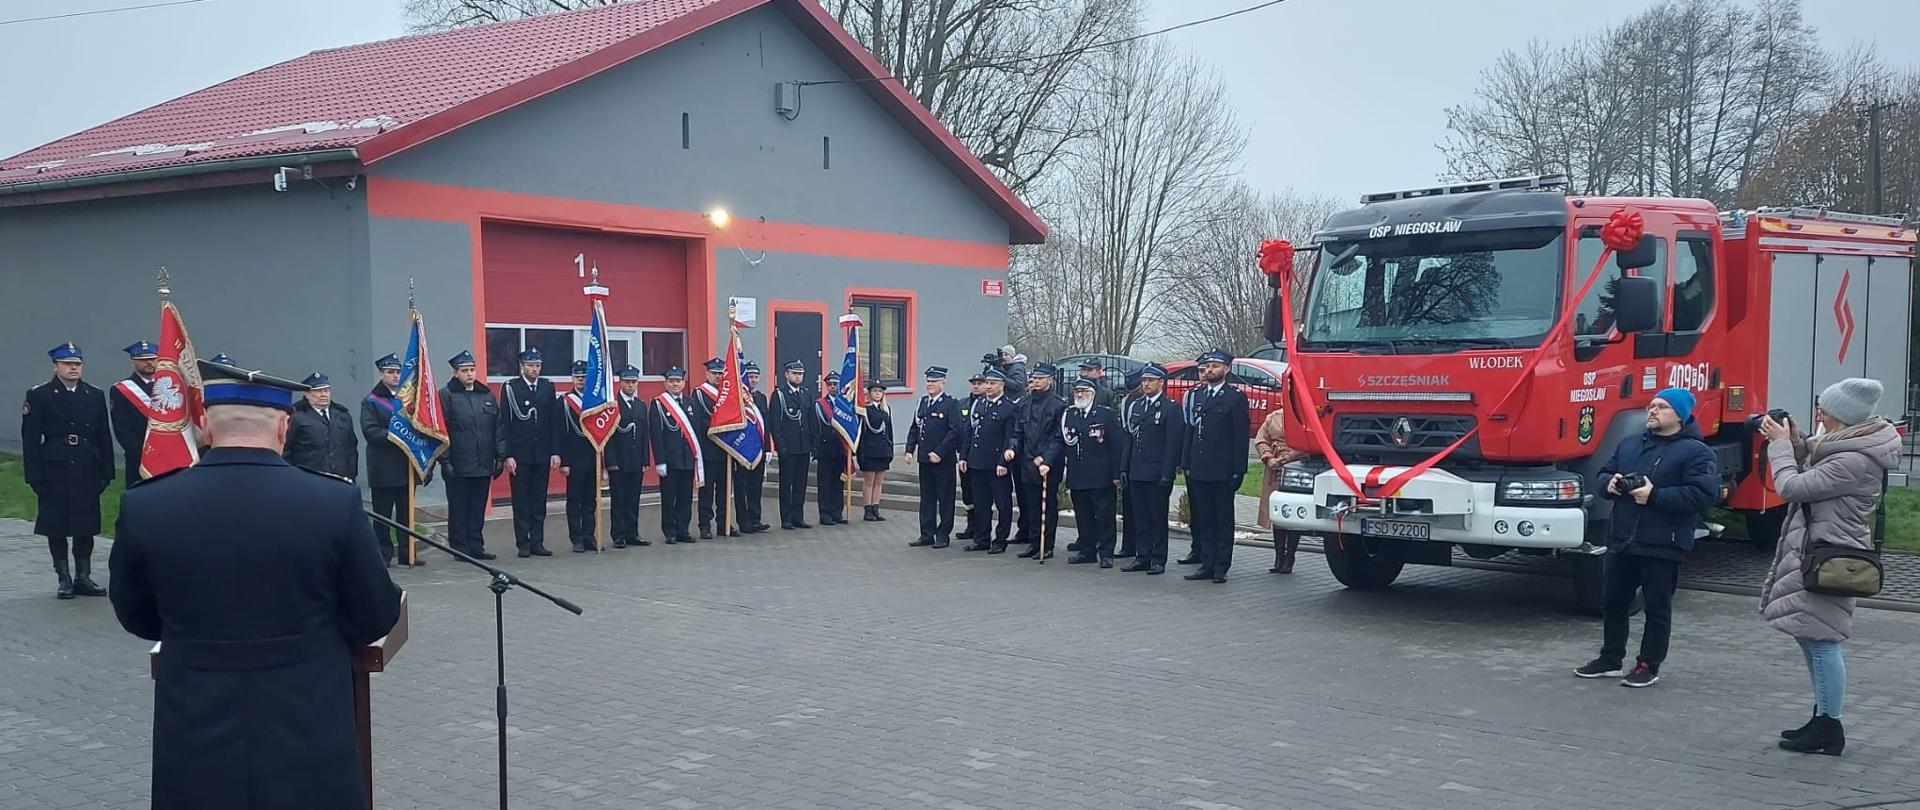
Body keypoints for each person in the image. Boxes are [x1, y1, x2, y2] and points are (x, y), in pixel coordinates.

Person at [109, 358, 401, 810]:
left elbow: (136, 613)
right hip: (308, 711)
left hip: (194, 711)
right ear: (285, 428)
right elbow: (375, 614)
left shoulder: (147, 505)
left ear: (204, 426)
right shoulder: (332, 502)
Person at [1758, 379, 1900, 756]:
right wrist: (1797, 439)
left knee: (1823, 643)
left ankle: (1830, 726)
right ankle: (1821, 717)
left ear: (1838, 415)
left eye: (1823, 408)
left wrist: (1780, 446)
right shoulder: (1848, 445)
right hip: (1820, 551)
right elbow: (1817, 457)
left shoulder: (1854, 459)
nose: (1818, 411)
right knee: (1812, 637)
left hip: (1831, 558)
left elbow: (1792, 486)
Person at [1575, 388, 1719, 687]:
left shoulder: (1697, 452)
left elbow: (1703, 495)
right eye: (1651, 406)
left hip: (1663, 542)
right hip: (1623, 538)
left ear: (1680, 415)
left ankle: (1648, 665)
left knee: (1657, 607)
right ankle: (1610, 658)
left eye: (1662, 407)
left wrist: (1654, 496)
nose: (1652, 411)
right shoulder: (1629, 444)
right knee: (1613, 602)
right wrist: (1610, 485)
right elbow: (1603, 473)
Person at [21, 343, 114, 599]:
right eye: (67, 364)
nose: (73, 368)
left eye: (77, 364)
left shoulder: (93, 394)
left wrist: (107, 470)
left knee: (85, 524)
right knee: (57, 524)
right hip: (55, 466)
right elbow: (30, 440)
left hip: (86, 465)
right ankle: (63, 577)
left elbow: (102, 435)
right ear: (56, 366)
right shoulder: (40, 394)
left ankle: (82, 576)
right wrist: (34, 474)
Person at [1181, 349, 1249, 584]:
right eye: (1208, 366)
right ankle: (1206, 563)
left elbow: (1239, 437)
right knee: (1205, 518)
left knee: (1222, 519)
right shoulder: (1199, 396)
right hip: (1199, 467)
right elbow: (1190, 431)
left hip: (1222, 468)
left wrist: (1239, 469)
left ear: (1226, 369)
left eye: (1215, 366)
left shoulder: (1234, 398)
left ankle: (1221, 566)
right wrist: (1186, 462)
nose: (1210, 370)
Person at [440, 351, 502, 561]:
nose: (469, 374)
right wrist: (445, 460)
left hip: (483, 462)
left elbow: (497, 428)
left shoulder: (486, 395)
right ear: (455, 373)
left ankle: (476, 546)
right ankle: (459, 548)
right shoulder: (447, 395)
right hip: (459, 463)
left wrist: (499, 456)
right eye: (464, 371)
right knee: (459, 507)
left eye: (472, 370)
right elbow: (442, 430)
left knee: (477, 506)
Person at [1122, 365, 1183, 574]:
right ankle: (1142, 555)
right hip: (1137, 470)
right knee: (1140, 517)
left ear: (1161, 383)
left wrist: (1167, 473)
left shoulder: (1170, 408)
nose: (1146, 384)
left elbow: (1172, 444)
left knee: (1156, 517)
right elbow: (1129, 439)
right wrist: (1124, 467)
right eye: (1144, 380)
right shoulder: (1137, 406)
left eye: (1150, 380)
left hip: (1157, 472)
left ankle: (1158, 558)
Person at [497, 348, 557, 557]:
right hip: (520, 454)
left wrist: (555, 452)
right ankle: (523, 542)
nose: (535, 369)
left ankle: (538, 542)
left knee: (539, 500)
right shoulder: (511, 388)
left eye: (538, 365)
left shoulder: (547, 387)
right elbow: (505, 422)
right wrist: (508, 455)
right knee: (521, 500)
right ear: (522, 366)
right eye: (531, 365)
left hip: (541, 453)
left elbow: (553, 422)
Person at [1063, 378, 1125, 567]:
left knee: (1105, 516)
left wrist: (1116, 474)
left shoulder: (1106, 415)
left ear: (1093, 393)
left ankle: (1106, 553)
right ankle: (1087, 550)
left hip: (1101, 475)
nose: (1080, 395)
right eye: (1077, 392)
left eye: (1084, 391)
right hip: (1078, 474)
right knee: (1083, 516)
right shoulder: (1070, 414)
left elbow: (1117, 446)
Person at [360, 354, 416, 565]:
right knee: (382, 516)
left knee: (406, 515)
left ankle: (407, 553)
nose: (394, 376)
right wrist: (398, 436)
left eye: (397, 372)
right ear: (381, 374)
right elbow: (371, 432)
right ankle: (383, 555)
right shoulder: (371, 401)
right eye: (390, 372)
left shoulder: (408, 399)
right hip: (383, 467)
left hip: (406, 465)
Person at [1009, 364, 1065, 559]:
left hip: (1048, 465)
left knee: (1047, 505)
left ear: (1050, 380)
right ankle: (1034, 542)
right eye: (1034, 379)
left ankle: (1046, 544)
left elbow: (1059, 437)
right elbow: (1018, 432)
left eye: (1041, 379)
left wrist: (1046, 458)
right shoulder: (1025, 404)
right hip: (1027, 462)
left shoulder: (1058, 405)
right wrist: (1012, 448)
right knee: (1031, 504)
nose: (1036, 382)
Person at [905, 366, 963, 548]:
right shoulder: (922, 403)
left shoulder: (951, 404)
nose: (930, 385)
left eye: (934, 381)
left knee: (945, 499)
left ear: (942, 383)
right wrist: (909, 449)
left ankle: (943, 534)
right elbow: (915, 427)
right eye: (928, 381)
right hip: (924, 459)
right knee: (927, 498)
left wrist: (940, 452)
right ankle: (926, 533)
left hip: (943, 461)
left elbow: (955, 432)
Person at [960, 369, 1017, 552]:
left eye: (993, 383)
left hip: (997, 464)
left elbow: (1010, 438)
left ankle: (1000, 540)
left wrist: (1003, 463)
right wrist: (964, 457)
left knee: (1002, 504)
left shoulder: (1009, 408)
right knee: (981, 503)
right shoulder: (978, 405)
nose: (989, 386)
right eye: (987, 383)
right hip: (977, 462)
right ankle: (981, 538)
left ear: (1002, 385)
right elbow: (970, 432)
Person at [1254, 386, 1307, 573]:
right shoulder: (1273, 417)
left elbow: (1309, 443)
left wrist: (1286, 458)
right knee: (1277, 512)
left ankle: (1290, 555)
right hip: (1274, 467)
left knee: (1291, 512)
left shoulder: (1306, 417)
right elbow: (1261, 439)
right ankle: (1278, 556)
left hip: (1297, 468)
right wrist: (1268, 457)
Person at [650, 367, 701, 544]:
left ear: (683, 383)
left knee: (685, 497)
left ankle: (683, 530)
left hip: (687, 459)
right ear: (666, 383)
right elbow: (656, 435)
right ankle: (670, 531)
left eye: (678, 381)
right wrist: (660, 460)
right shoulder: (658, 404)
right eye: (671, 381)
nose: (675, 384)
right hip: (670, 461)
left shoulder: (690, 403)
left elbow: (696, 431)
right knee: (669, 497)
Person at [554, 360, 601, 552]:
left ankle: (589, 536)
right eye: (578, 377)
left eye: (584, 377)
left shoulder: (596, 401)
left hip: (593, 458)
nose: (581, 380)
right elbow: (559, 433)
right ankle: (577, 539)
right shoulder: (564, 402)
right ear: (572, 379)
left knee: (591, 501)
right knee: (575, 501)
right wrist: (564, 461)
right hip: (573, 460)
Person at [606, 364, 652, 548]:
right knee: (619, 500)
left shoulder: (641, 405)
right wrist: (610, 461)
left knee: (633, 499)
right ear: (620, 382)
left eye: (634, 382)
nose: (631, 386)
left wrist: (645, 460)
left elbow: (644, 434)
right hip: (619, 461)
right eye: (628, 382)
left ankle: (632, 533)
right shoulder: (613, 405)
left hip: (636, 461)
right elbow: (608, 436)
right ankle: (618, 535)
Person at [283, 373, 359, 481]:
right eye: (318, 391)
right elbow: (285, 449)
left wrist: (351, 475)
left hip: (340, 479)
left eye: (326, 390)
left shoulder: (342, 415)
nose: (323, 394)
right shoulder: (296, 416)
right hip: (308, 479)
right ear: (307, 394)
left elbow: (351, 448)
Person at [770, 360, 816, 530]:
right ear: (787, 375)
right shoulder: (779, 395)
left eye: (800, 374)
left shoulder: (806, 394)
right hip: (788, 448)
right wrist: (780, 446)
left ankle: (798, 517)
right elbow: (775, 424)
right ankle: (786, 518)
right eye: (795, 373)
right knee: (786, 484)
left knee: (800, 484)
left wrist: (812, 444)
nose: (798, 376)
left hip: (803, 447)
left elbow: (811, 421)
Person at [108, 340, 160, 485]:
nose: (149, 362)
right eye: (143, 360)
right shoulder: (121, 390)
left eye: (152, 359)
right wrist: (144, 454)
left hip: (168, 455)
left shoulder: (170, 386)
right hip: (138, 458)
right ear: (133, 362)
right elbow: (122, 429)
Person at [731, 361, 772, 534]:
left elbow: (765, 424)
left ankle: (756, 518)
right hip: (742, 448)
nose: (753, 380)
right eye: (750, 377)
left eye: (756, 377)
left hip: (759, 448)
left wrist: (768, 448)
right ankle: (744, 521)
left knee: (756, 486)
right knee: (741, 486)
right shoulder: (737, 398)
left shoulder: (761, 397)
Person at [691, 358, 730, 539]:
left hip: (726, 450)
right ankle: (704, 525)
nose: (718, 376)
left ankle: (724, 523)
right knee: (706, 492)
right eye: (714, 373)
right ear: (707, 374)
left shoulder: (728, 393)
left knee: (724, 491)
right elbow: (698, 423)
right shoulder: (699, 394)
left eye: (720, 373)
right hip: (708, 450)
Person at [1114, 370, 1145, 560]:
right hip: (1129, 458)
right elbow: (1126, 435)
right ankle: (1129, 545)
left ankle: (1141, 549)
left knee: (1144, 511)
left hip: (1147, 464)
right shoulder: (1127, 402)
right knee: (1129, 507)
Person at [814, 371, 851, 525]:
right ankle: (825, 514)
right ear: (826, 386)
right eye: (830, 384)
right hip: (825, 448)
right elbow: (816, 427)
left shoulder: (845, 404)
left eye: (835, 384)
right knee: (824, 483)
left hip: (840, 448)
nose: (833, 387)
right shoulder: (820, 404)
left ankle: (837, 512)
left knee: (838, 482)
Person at [954, 372, 988, 543]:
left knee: (980, 495)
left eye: (980, 383)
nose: (976, 386)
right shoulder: (962, 404)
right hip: (964, 456)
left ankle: (981, 529)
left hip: (981, 458)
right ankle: (971, 525)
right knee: (967, 494)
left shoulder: (986, 404)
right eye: (974, 383)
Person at [857, 382, 894, 521]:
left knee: (879, 481)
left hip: (883, 451)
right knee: (869, 481)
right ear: (869, 393)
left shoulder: (886, 409)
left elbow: (889, 432)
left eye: (880, 391)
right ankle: (867, 510)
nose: (878, 393)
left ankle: (875, 508)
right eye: (875, 391)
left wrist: (890, 449)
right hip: (870, 451)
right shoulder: (865, 410)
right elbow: (864, 432)